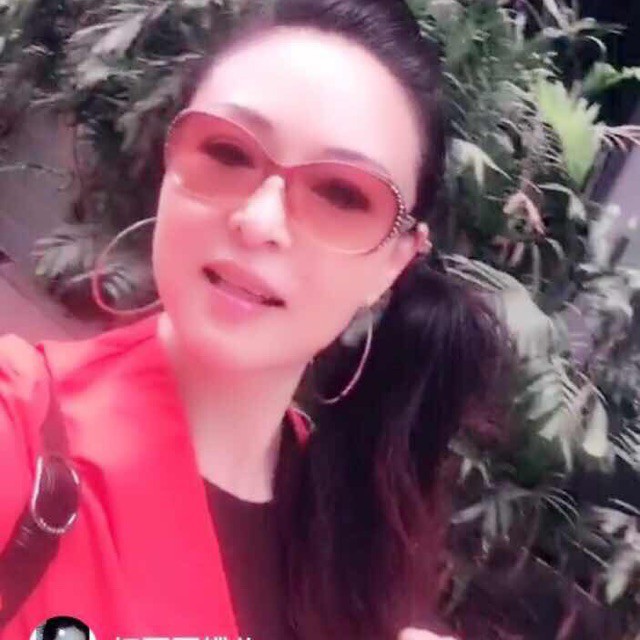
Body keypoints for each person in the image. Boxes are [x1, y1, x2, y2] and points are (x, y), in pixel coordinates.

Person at [0, 0, 509, 638]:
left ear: (394, 263)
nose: (259, 221)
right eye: (228, 151)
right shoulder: (24, 427)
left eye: (342, 194)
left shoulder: (354, 529)